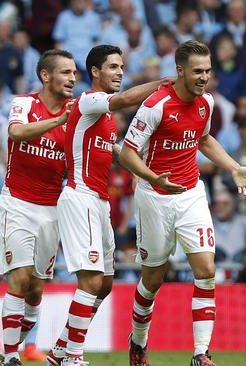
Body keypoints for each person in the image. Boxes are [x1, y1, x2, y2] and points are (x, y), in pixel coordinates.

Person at [119, 40, 246, 366]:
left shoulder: (206, 103)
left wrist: (233, 166)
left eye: (208, 71)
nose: (204, 78)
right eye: (198, 71)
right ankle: (138, 342)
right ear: (179, 71)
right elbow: (127, 153)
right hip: (155, 198)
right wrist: (153, 178)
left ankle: (200, 353)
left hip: (192, 194)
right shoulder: (156, 105)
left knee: (207, 270)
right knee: (153, 279)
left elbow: (204, 139)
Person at [47, 45, 164, 366]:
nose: (120, 72)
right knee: (91, 281)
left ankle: (58, 351)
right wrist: (164, 84)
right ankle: (73, 356)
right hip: (79, 197)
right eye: (113, 67)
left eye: (122, 67)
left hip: (100, 203)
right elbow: (125, 99)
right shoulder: (87, 101)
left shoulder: (106, 119)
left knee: (106, 285)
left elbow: (112, 151)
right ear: (95, 72)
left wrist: (149, 174)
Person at [0, 49, 77, 366]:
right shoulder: (24, 104)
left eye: (73, 73)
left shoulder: (76, 114)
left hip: (51, 209)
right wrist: (58, 120)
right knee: (21, 277)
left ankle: (6, 351)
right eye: (66, 72)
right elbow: (15, 132)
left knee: (36, 290)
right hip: (17, 202)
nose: (72, 78)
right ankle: (12, 357)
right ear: (46, 75)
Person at [0, 180, 46, 362]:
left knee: (33, 280)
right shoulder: (20, 172)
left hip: (23, 218)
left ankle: (30, 347)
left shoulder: (61, 176)